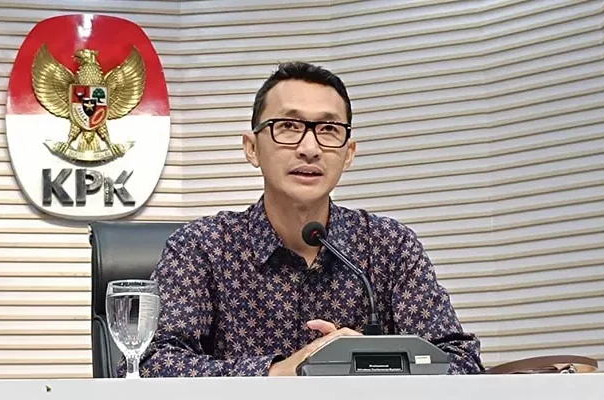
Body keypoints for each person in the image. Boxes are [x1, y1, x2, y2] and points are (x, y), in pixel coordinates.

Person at [117, 61, 484, 377]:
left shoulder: (389, 246)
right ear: (252, 148)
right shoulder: (203, 247)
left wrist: (373, 360)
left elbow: (462, 363)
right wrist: (280, 372)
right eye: (288, 127)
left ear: (349, 153)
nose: (310, 149)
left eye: (329, 130)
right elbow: (147, 363)